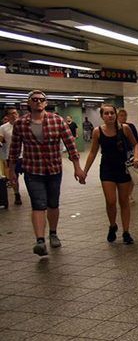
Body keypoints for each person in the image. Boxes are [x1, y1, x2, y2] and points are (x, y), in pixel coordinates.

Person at [7, 91, 86, 256]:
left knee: (53, 203)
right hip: (32, 170)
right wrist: (12, 171)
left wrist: (78, 167)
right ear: (29, 103)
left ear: (46, 102)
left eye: (41, 100)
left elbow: (70, 144)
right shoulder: (21, 124)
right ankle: (40, 241)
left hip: (54, 169)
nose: (38, 102)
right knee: (38, 204)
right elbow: (14, 149)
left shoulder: (57, 121)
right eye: (34, 100)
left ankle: (53, 233)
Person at [82, 104, 138, 245]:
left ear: (115, 114)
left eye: (112, 113)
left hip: (123, 168)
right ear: (102, 116)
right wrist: (84, 171)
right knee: (110, 201)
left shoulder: (124, 129)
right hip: (107, 169)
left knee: (124, 201)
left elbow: (135, 144)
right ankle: (112, 225)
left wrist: (137, 157)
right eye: (106, 114)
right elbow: (92, 152)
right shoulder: (97, 132)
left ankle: (126, 232)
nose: (110, 116)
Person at [117, 109, 138, 203]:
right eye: (121, 115)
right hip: (120, 155)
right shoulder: (115, 128)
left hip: (130, 153)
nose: (123, 117)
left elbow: (136, 142)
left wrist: (137, 155)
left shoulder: (130, 127)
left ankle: (129, 194)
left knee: (132, 175)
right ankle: (123, 193)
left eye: (124, 115)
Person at [0, 108, 22, 206]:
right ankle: (17, 194)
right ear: (7, 116)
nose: (14, 115)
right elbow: (1, 139)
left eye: (16, 113)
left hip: (26, 156)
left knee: (31, 177)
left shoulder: (24, 125)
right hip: (12, 156)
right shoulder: (3, 128)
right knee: (14, 177)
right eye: (12, 114)